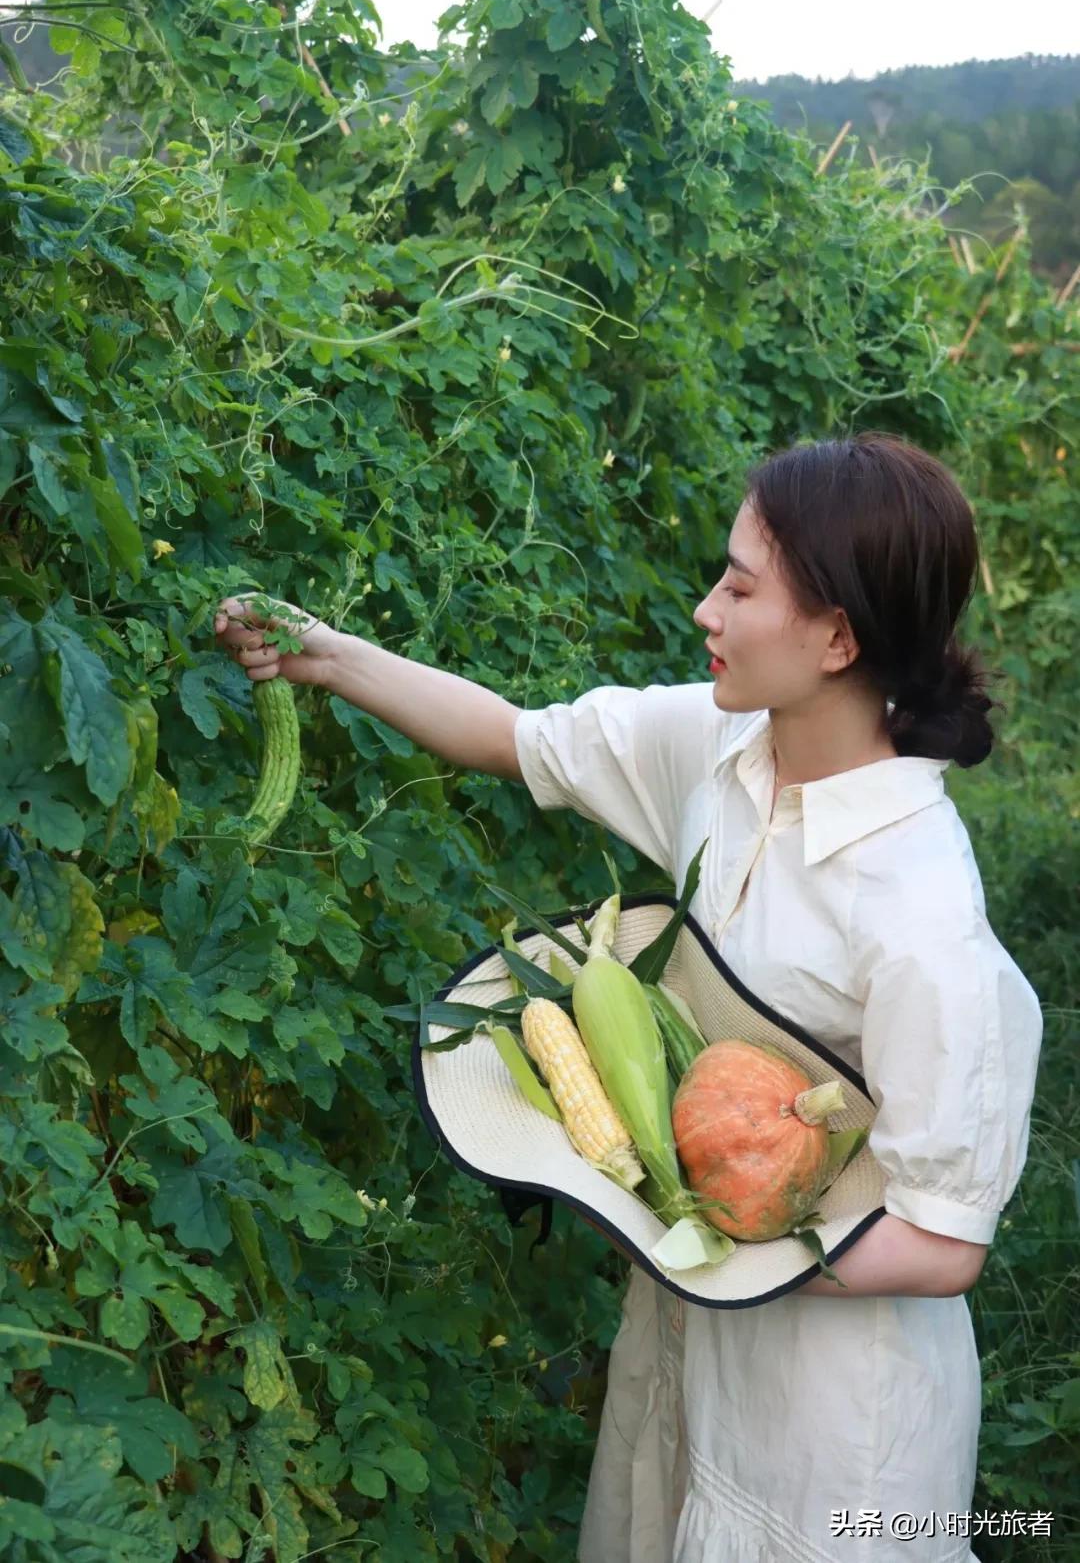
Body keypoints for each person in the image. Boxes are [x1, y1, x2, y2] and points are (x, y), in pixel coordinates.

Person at [215, 431, 1043, 1563]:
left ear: (839, 636)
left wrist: (701, 1225)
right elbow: (514, 738)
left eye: (741, 587)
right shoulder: (716, 750)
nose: (707, 609)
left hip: (837, 1424)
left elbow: (945, 1240)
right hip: (691, 1342)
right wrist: (324, 655)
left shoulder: (921, 910)